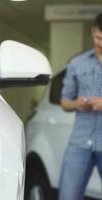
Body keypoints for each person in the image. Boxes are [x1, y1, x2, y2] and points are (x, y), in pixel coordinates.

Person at [59, 12, 102, 200]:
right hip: (80, 142)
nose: (101, 43)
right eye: (99, 38)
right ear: (93, 32)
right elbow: (64, 102)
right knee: (68, 197)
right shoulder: (77, 64)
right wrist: (77, 104)